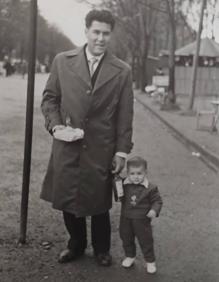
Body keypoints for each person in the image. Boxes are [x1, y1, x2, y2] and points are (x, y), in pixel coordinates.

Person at [40, 9, 133, 267]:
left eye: (106, 33)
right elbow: (50, 99)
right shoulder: (62, 61)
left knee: (100, 202)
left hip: (101, 148)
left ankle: (102, 249)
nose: (101, 38)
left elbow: (125, 115)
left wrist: (121, 152)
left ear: (110, 35)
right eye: (96, 32)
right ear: (86, 32)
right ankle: (76, 244)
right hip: (67, 144)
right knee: (69, 199)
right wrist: (57, 127)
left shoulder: (122, 70)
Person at [119, 156, 162, 274]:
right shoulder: (124, 184)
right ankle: (130, 256)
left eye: (139, 173)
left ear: (145, 173)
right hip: (126, 218)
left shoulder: (151, 188)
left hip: (142, 220)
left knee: (145, 240)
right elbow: (117, 193)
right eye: (132, 173)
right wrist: (116, 179)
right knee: (126, 238)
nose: (136, 177)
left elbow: (157, 201)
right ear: (127, 173)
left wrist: (154, 210)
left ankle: (150, 261)